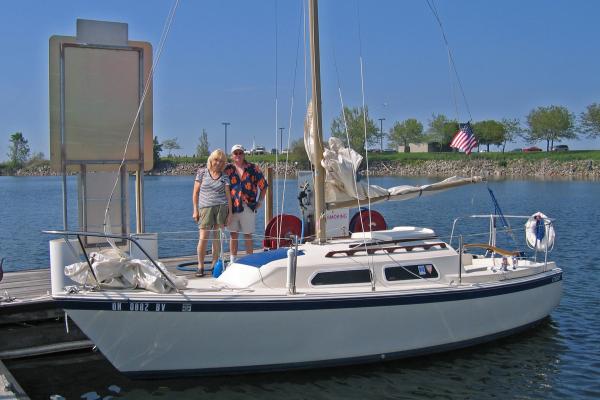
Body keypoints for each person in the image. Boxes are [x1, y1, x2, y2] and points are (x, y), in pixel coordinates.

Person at [224, 144, 268, 262]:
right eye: (235, 153)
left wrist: (260, 201)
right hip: (232, 207)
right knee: (233, 235)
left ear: (244, 154)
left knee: (248, 235)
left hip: (248, 206)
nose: (238, 155)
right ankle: (233, 261)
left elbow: (264, 186)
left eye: (240, 153)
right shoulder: (227, 169)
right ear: (232, 156)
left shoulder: (253, 168)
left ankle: (250, 260)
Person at [192, 149, 232, 277]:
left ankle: (214, 265)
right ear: (211, 159)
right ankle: (200, 265)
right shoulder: (201, 173)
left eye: (221, 161)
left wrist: (229, 213)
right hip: (205, 208)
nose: (218, 163)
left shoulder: (225, 176)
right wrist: (195, 210)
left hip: (221, 208)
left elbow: (228, 196)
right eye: (216, 160)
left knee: (217, 239)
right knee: (203, 238)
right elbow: (196, 193)